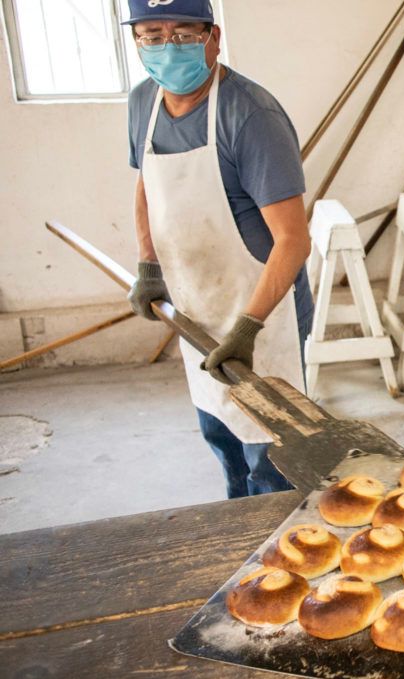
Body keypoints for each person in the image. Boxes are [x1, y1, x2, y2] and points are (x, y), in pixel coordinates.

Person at [122, 0, 313, 498]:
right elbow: (148, 185)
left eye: (183, 33)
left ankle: (282, 559)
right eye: (152, 35)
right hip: (196, 308)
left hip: (262, 315)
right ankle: (236, 538)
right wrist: (148, 265)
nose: (168, 46)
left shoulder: (250, 116)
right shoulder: (143, 102)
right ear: (136, 41)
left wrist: (248, 327)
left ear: (214, 37)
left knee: (273, 460)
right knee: (220, 434)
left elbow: (294, 240)